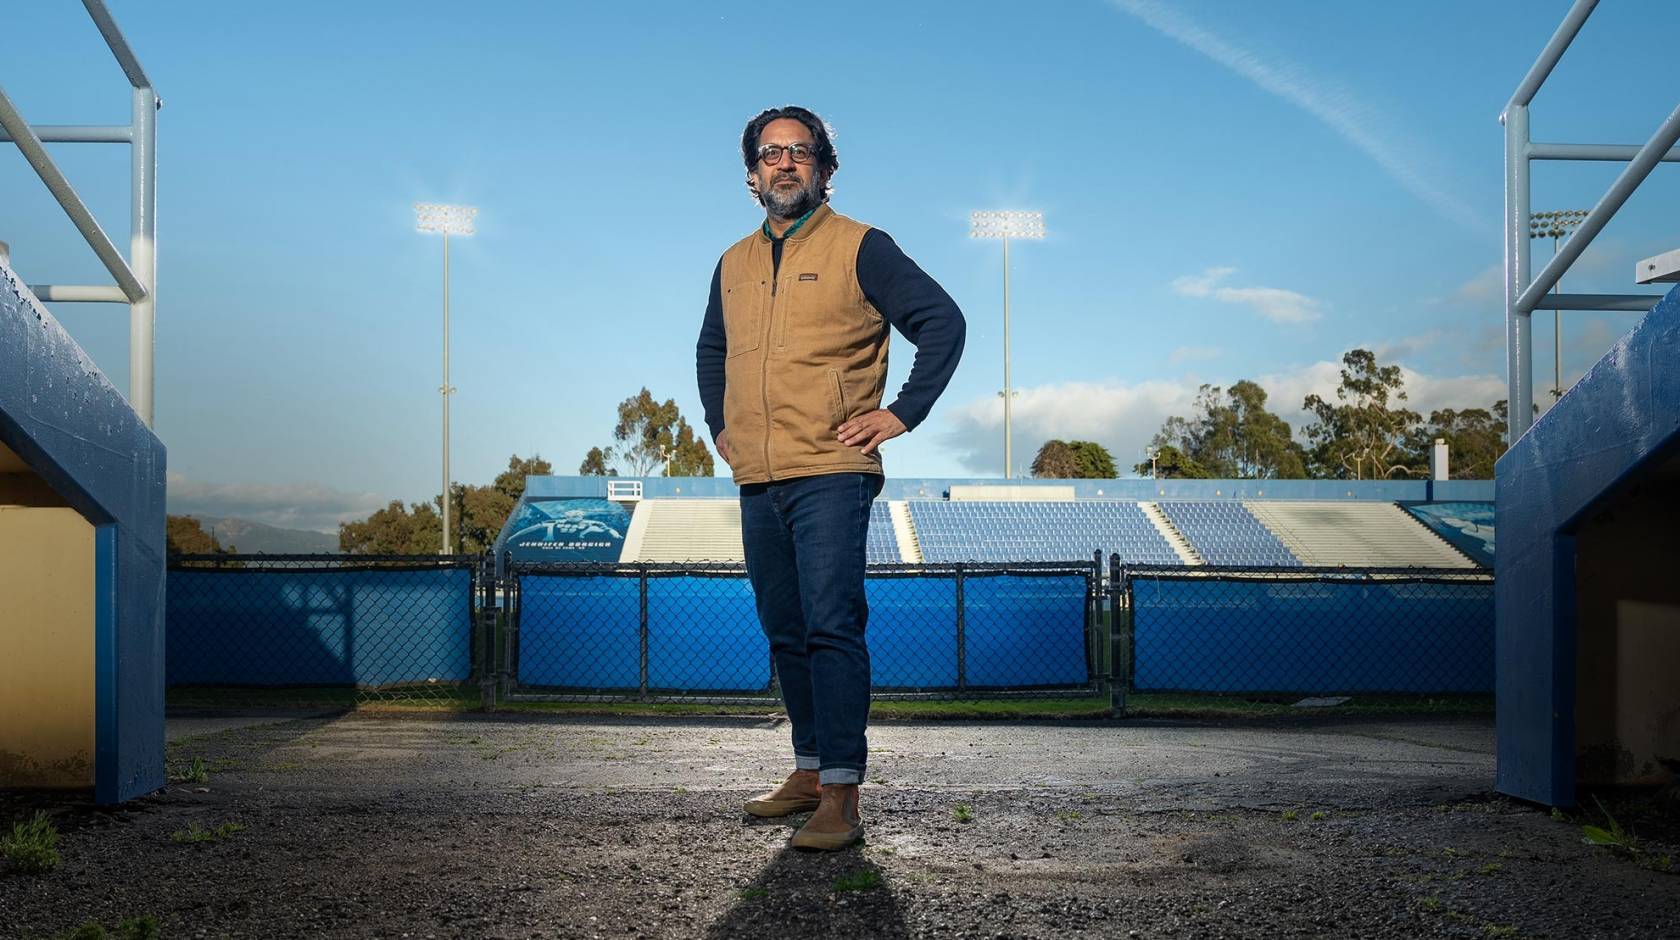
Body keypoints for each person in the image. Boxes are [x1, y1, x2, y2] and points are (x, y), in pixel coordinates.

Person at [695, 105, 966, 850]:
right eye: (771, 153)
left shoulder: (863, 248)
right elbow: (711, 350)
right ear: (753, 173)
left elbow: (943, 321)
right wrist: (722, 427)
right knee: (784, 630)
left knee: (830, 627)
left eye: (800, 152)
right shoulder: (731, 262)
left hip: (832, 471)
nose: (785, 163)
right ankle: (809, 772)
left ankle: (842, 796)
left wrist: (901, 414)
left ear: (825, 169)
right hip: (758, 475)